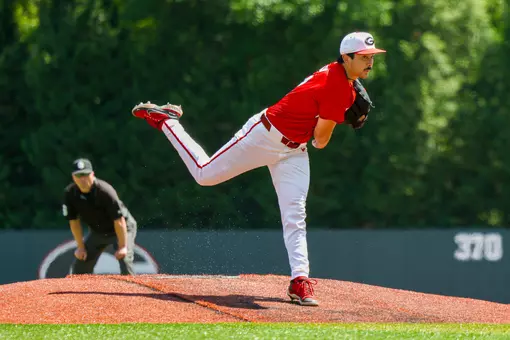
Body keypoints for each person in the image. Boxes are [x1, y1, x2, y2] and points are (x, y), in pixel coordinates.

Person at [131, 32, 386, 306]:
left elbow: (314, 131)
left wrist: (337, 113)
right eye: (364, 57)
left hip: (293, 150)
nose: (370, 62)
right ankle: (167, 121)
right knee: (204, 174)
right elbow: (321, 141)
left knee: (295, 214)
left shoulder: (341, 79)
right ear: (346, 58)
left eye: (372, 57)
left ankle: (300, 281)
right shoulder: (338, 86)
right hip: (263, 136)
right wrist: (341, 118)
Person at [62, 158, 138, 275]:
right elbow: (74, 222)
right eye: (79, 175)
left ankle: (132, 291)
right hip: (98, 232)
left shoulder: (105, 191)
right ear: (73, 177)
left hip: (122, 228)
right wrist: (81, 247)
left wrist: (122, 246)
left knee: (124, 258)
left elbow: (119, 220)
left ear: (92, 174)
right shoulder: (70, 193)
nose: (82, 179)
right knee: (80, 264)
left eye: (85, 175)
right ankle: (78, 293)